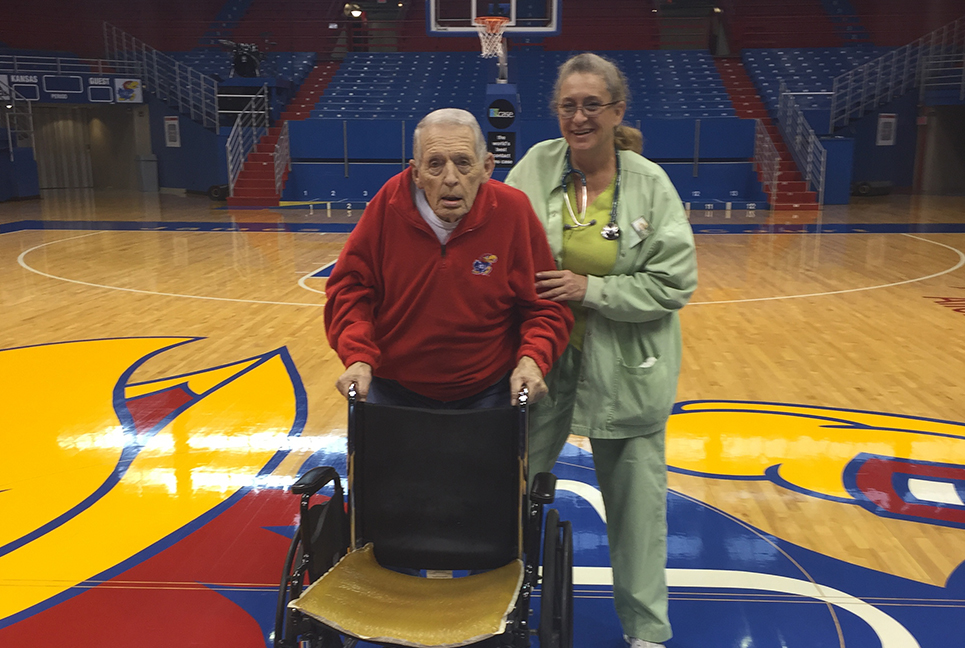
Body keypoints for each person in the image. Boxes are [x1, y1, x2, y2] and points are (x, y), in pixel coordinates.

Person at [505, 53, 698, 648]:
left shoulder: (649, 184)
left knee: (638, 513)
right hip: (542, 364)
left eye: (593, 105)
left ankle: (646, 633)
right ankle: (491, 603)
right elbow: (496, 242)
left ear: (617, 111)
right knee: (507, 491)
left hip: (628, 368)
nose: (579, 116)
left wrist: (593, 289)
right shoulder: (534, 167)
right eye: (568, 104)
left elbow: (674, 283)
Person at [324, 108, 573, 409]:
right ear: (416, 173)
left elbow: (544, 303)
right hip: (392, 388)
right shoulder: (389, 204)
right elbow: (349, 289)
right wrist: (358, 356)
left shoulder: (513, 210)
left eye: (464, 163)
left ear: (487, 167)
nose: (451, 178)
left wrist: (532, 359)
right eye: (435, 165)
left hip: (491, 390)